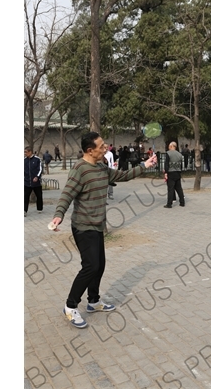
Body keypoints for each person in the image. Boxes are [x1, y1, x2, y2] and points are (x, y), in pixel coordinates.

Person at [49, 132, 157, 328]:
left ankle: (93, 301)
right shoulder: (79, 170)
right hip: (83, 226)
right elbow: (67, 193)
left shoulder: (101, 167)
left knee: (100, 265)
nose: (105, 148)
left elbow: (122, 176)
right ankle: (70, 306)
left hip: (97, 225)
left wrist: (144, 166)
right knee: (90, 266)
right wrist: (58, 215)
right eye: (101, 146)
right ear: (90, 150)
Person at [164, 141, 185, 208]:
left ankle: (169, 204)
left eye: (169, 146)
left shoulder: (168, 153)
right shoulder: (179, 154)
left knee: (170, 189)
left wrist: (166, 173)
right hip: (178, 172)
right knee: (179, 188)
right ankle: (182, 202)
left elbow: (166, 164)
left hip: (171, 172)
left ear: (172, 146)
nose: (168, 147)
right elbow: (181, 165)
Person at [24, 146, 43, 217]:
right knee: (25, 197)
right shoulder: (24, 160)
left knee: (39, 196)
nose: (25, 153)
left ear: (30, 152)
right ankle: (24, 210)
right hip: (27, 182)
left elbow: (40, 169)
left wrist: (37, 177)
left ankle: (39, 208)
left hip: (36, 182)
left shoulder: (37, 159)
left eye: (26, 152)